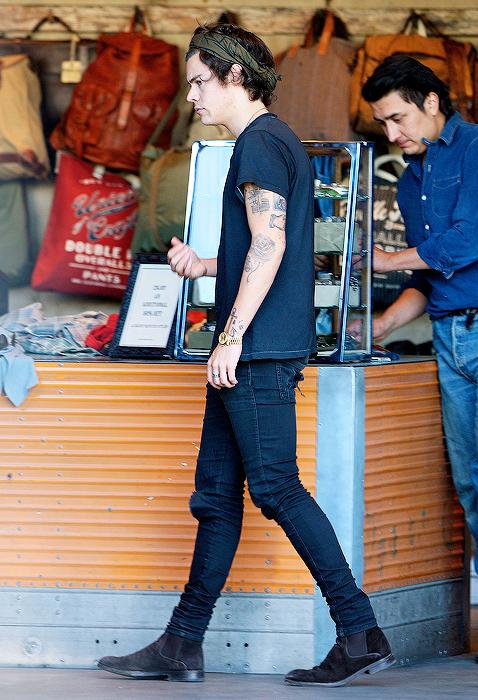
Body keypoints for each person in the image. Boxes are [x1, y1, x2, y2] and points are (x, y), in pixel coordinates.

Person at [97, 22, 394, 687]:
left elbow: (271, 243)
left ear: (235, 75)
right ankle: (181, 643)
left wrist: (229, 336)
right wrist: (205, 264)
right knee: (217, 495)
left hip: (255, 351)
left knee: (277, 488)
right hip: (258, 345)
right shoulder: (275, 141)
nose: (192, 97)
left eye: (199, 82)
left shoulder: (258, 143)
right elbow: (265, 247)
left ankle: (359, 631)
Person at [361, 55, 478, 667]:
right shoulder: (409, 179)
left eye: (398, 118)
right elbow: (429, 275)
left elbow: (467, 242)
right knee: (469, 482)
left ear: (432, 102)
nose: (392, 134)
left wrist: (383, 260)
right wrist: (379, 326)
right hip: (448, 335)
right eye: (383, 124)